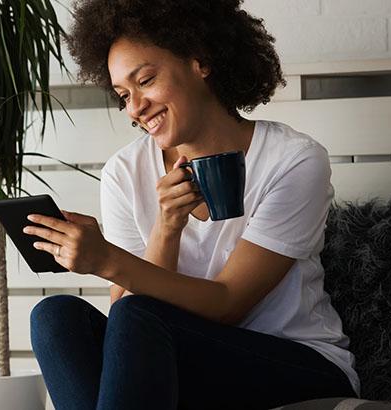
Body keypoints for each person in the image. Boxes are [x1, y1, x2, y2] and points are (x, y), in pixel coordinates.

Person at [25, 0, 360, 408]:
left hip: (296, 364)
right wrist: (167, 227)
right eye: (123, 94)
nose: (134, 107)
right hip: (186, 360)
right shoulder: (124, 172)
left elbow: (227, 304)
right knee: (56, 316)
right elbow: (125, 325)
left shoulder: (293, 160)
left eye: (145, 80)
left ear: (199, 61)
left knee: (137, 317)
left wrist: (106, 259)